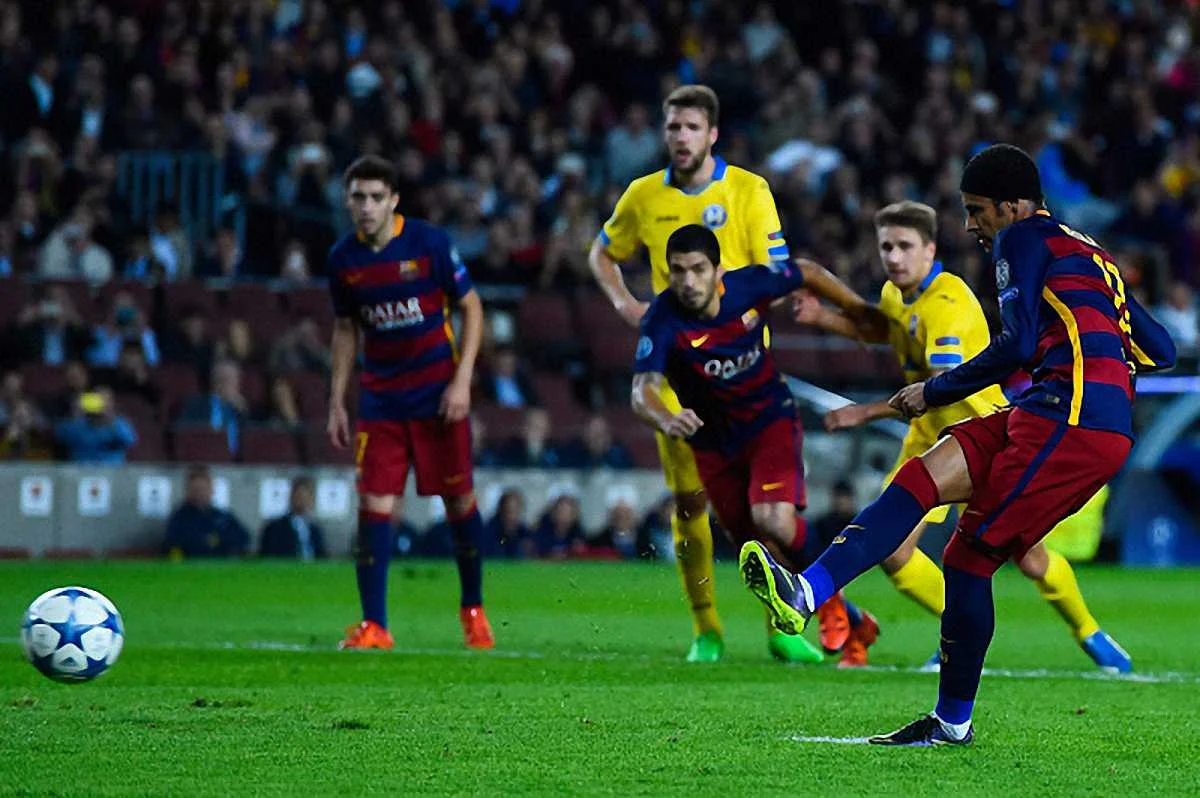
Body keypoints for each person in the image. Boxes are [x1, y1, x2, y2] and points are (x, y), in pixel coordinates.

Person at [738, 144, 1177, 746]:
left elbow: (1017, 343)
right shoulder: (1092, 253)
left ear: (1013, 206)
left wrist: (934, 389)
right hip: (1049, 409)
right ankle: (805, 591)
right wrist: (1099, 353)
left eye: (977, 210)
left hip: (1072, 421)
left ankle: (952, 723)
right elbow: (1161, 350)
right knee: (921, 475)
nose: (971, 225)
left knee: (969, 559)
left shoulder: (1018, 239)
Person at [794, 199, 1133, 673]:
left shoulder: (948, 303)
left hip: (980, 426)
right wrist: (823, 318)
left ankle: (1089, 632)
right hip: (927, 433)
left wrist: (864, 412)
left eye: (905, 246)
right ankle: (954, 629)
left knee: (1029, 558)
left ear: (930, 250)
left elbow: (938, 385)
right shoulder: (895, 293)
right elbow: (883, 327)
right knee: (896, 552)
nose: (894, 257)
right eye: (886, 247)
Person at [589, 85, 796, 662]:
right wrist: (625, 303)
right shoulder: (643, 195)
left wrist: (745, 317)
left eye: (691, 127)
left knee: (762, 511)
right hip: (681, 379)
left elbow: (777, 272)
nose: (680, 137)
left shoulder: (748, 190)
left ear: (712, 134)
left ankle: (782, 627)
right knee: (689, 504)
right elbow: (601, 252)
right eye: (673, 127)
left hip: (746, 375)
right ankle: (706, 629)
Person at [632, 223, 842, 665]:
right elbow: (641, 391)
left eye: (697, 269)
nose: (688, 281)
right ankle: (725, 631)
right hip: (713, 444)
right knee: (753, 547)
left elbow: (806, 271)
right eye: (677, 271)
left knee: (775, 521)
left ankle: (832, 600)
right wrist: (666, 418)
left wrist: (856, 311)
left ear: (718, 271)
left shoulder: (748, 286)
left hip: (769, 422)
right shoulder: (662, 319)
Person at [327, 155, 492, 651]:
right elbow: (345, 329)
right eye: (358, 197)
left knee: (459, 501)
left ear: (394, 201)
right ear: (348, 201)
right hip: (380, 400)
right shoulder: (343, 260)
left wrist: (462, 381)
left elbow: (471, 306)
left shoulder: (429, 244)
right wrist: (337, 399)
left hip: (438, 396)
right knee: (373, 504)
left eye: (376, 197)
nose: (367, 207)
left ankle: (473, 609)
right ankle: (375, 625)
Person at [163, 465, 250, 559]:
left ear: (211, 489)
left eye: (203, 489)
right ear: (188, 490)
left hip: (220, 564)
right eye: (195, 490)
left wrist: (222, 542)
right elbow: (172, 543)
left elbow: (243, 539)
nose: (199, 493)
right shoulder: (179, 518)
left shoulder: (223, 516)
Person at [54, 389, 137, 464]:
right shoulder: (78, 423)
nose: (101, 404)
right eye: (97, 400)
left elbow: (129, 441)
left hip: (111, 471)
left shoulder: (119, 423)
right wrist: (76, 413)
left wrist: (110, 420)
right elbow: (60, 436)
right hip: (80, 471)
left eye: (104, 401)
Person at [259, 476, 328, 560]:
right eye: (299, 496)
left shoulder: (315, 530)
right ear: (291, 497)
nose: (302, 500)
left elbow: (322, 556)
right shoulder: (274, 529)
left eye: (307, 496)